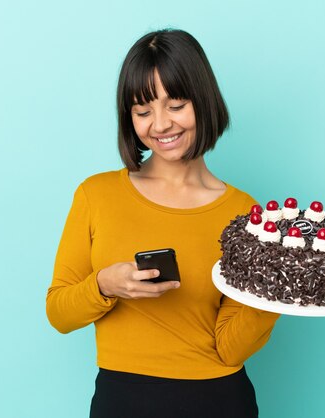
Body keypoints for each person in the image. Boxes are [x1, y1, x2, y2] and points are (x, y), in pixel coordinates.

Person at [46, 28, 280, 418]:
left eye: (176, 105)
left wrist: (276, 290)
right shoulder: (96, 194)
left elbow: (230, 348)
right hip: (121, 399)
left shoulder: (244, 214)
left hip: (218, 400)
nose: (160, 125)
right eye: (142, 111)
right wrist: (104, 285)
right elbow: (59, 313)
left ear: (203, 102)